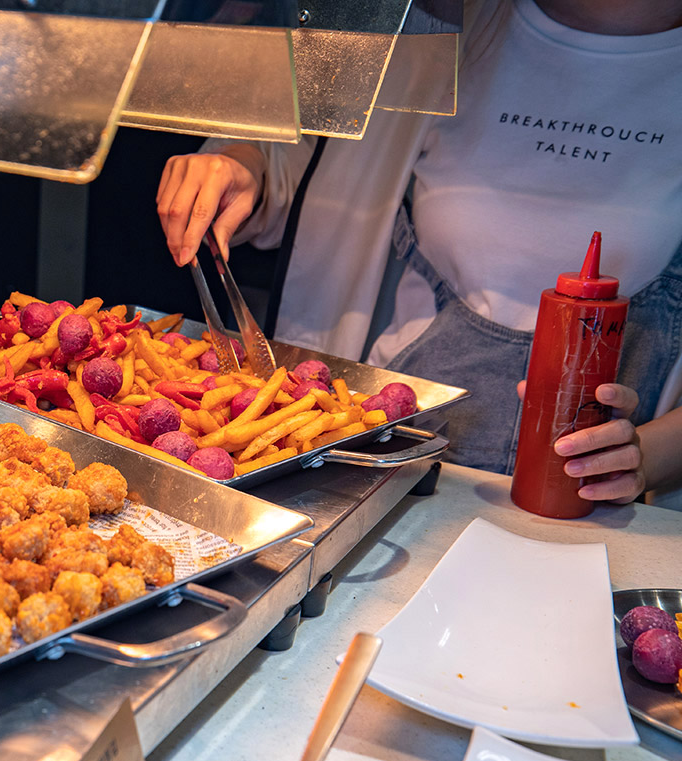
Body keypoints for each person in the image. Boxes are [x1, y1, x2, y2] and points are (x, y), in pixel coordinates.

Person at [156, 0, 682, 508]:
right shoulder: (432, 23)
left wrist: (645, 456)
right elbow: (305, 160)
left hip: (595, 506)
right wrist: (240, 160)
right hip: (388, 464)